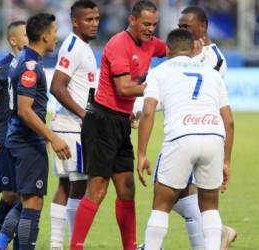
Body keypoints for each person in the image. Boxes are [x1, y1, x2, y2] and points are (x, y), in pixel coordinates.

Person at [70, 1, 166, 249]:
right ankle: (75, 246)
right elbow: (124, 89)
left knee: (127, 189)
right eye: (146, 24)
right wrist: (154, 88)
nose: (150, 29)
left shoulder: (152, 44)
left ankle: (129, 247)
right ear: (132, 20)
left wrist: (197, 46)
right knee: (98, 188)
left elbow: (175, 50)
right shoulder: (117, 44)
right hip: (101, 121)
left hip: (121, 122)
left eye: (154, 25)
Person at [137, 28, 234, 250]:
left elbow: (149, 112)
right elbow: (229, 120)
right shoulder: (211, 73)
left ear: (168, 49)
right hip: (213, 136)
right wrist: (226, 161)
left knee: (161, 204)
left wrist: (142, 153)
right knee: (210, 206)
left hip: (181, 136)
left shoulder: (159, 71)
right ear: (193, 49)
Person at [0, 13, 71, 250]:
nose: (57, 37)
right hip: (27, 142)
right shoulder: (31, 66)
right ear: (46, 35)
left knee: (24, 200)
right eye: (55, 32)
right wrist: (52, 137)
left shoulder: (20, 60)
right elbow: (25, 110)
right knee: (33, 203)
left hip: (18, 140)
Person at [176, 6, 236, 250]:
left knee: (177, 193)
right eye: (179, 26)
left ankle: (218, 233)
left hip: (201, 131)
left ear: (202, 27)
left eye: (185, 26)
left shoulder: (213, 58)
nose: (180, 30)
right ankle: (214, 236)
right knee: (183, 193)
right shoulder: (189, 53)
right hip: (187, 130)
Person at [49, 1, 99, 248]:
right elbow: (56, 86)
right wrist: (84, 114)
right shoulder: (72, 46)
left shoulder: (83, 47)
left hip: (75, 125)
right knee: (78, 185)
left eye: (96, 19)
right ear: (75, 22)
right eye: (88, 19)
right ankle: (70, 244)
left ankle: (60, 244)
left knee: (68, 184)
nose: (94, 23)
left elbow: (85, 89)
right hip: (72, 126)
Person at [0, 20, 28, 249]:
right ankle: (2, 240)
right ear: (14, 40)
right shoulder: (2, 68)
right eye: (27, 34)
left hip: (24, 141)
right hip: (4, 139)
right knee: (11, 194)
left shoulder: (30, 66)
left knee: (21, 194)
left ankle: (11, 241)